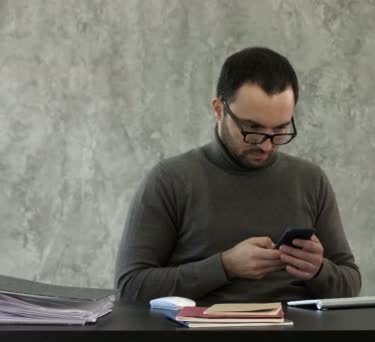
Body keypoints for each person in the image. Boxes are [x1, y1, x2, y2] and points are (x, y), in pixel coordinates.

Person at [114, 47, 361, 303]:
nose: (265, 144)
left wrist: (319, 270)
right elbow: (130, 288)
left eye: (280, 129)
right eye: (252, 128)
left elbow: (350, 284)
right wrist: (225, 266)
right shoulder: (170, 180)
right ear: (219, 109)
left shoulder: (310, 180)